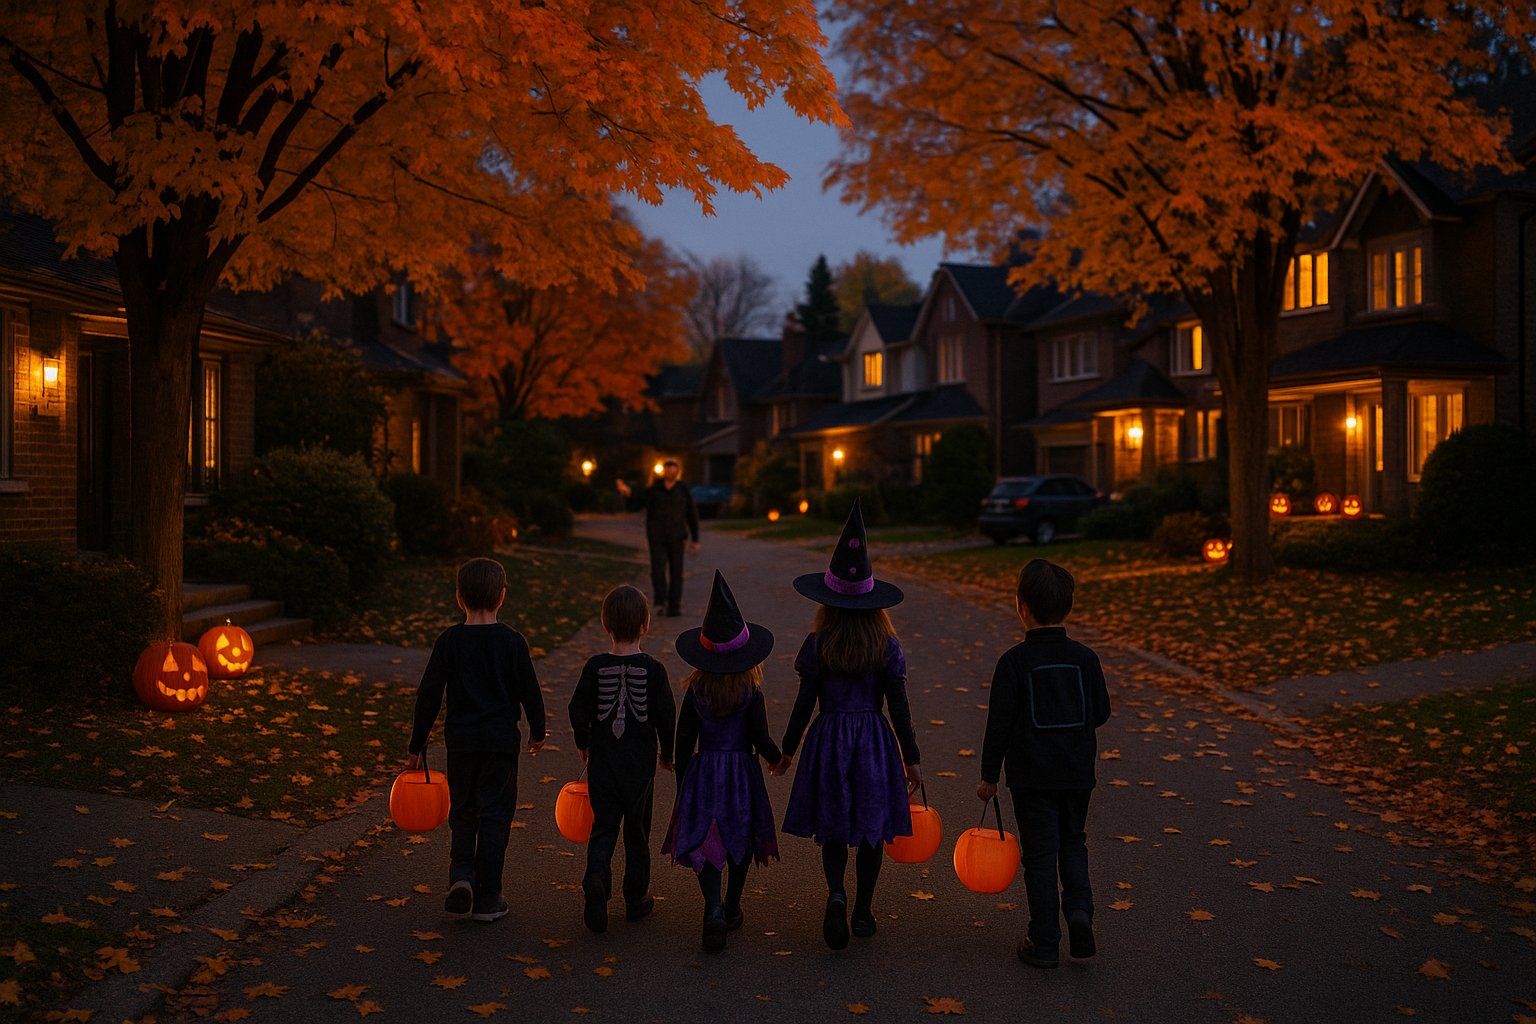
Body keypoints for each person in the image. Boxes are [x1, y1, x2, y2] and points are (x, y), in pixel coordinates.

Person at [780, 501, 921, 950]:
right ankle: (863, 910)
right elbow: (898, 703)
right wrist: (911, 758)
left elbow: (805, 701)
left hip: (829, 739)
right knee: (872, 827)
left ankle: (836, 893)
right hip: (874, 743)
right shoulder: (885, 643)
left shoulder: (819, 643)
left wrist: (787, 747)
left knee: (836, 825)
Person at [976, 558, 1112, 969]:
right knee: (1073, 839)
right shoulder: (1085, 658)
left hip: (1031, 776)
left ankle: (1045, 940)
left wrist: (988, 776)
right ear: (1068, 607)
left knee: (1039, 856)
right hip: (1075, 772)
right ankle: (1080, 912)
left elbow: (999, 724)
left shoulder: (1013, 663)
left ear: (1020, 606)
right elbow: (1101, 711)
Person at [407, 557, 546, 923]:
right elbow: (529, 691)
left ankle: (462, 876)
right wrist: (538, 730)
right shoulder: (513, 642)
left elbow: (429, 694)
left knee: (464, 811)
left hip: (462, 744)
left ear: (458, 598)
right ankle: (488, 897)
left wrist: (416, 745)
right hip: (501, 744)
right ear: (502, 598)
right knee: (496, 815)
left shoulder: (450, 641)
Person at [661, 570, 788, 951]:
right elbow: (759, 737)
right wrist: (776, 758)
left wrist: (684, 779)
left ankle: (713, 907)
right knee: (740, 839)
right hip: (741, 775)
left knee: (707, 842)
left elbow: (684, 742)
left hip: (704, 773)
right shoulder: (751, 691)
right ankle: (732, 904)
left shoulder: (697, 689)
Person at [568, 584, 677, 933]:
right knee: (637, 829)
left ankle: (597, 877)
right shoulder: (654, 669)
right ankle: (635, 897)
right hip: (639, 765)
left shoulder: (595, 666)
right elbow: (666, 715)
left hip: (603, 762)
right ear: (646, 624)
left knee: (604, 825)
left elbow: (577, 708)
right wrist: (668, 752)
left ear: (605, 623)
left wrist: (584, 742)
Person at [616, 459, 699, 617]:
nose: (671, 472)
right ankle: (660, 602)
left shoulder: (683, 491)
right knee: (658, 571)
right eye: (668, 470)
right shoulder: (654, 490)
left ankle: (674, 606)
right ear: (664, 471)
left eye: (674, 470)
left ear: (677, 472)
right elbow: (637, 504)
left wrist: (695, 539)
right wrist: (627, 493)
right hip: (657, 538)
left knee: (677, 573)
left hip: (677, 538)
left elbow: (691, 515)